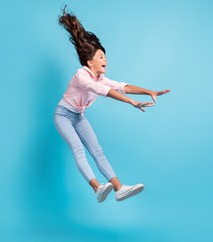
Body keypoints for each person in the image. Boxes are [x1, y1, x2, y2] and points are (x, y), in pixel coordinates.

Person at [54, 6, 170, 203]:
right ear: (90, 62)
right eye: (101, 57)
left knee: (96, 149)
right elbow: (105, 92)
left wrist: (148, 91)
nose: (105, 60)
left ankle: (119, 189)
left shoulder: (100, 77)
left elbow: (122, 86)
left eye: (105, 56)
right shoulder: (82, 75)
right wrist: (131, 102)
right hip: (63, 115)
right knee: (78, 148)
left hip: (78, 116)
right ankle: (97, 188)